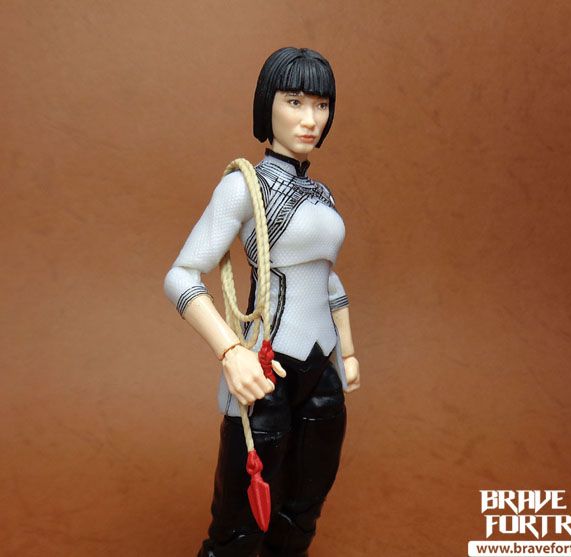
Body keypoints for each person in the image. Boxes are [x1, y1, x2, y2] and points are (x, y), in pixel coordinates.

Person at [164, 47, 360, 557]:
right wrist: (231, 352)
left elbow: (327, 279)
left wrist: (347, 351)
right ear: (266, 104)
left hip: (322, 369)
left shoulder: (321, 194)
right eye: (294, 101)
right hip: (265, 371)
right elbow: (181, 275)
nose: (310, 118)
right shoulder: (243, 187)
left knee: (301, 510)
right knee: (240, 524)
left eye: (321, 105)